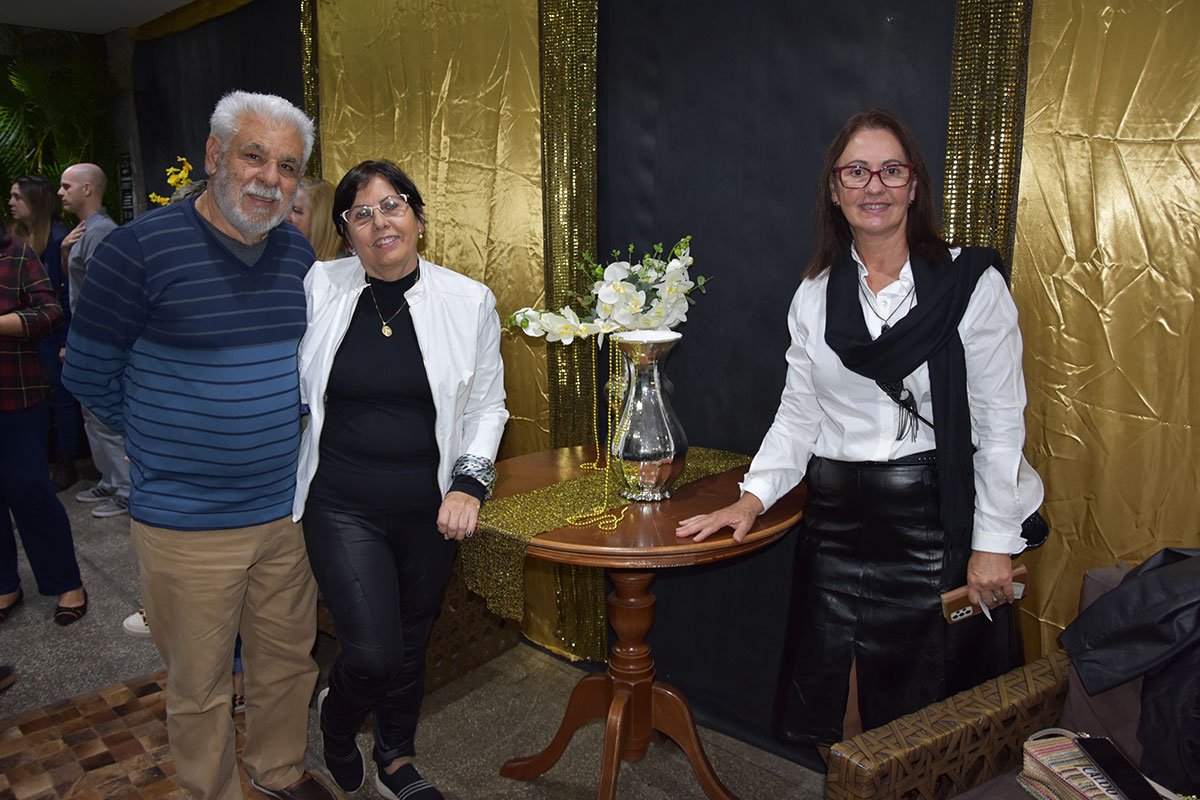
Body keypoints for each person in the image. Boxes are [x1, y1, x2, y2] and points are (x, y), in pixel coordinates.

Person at [675, 108, 1044, 749]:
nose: (875, 186)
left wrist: (992, 544)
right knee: (836, 704)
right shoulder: (815, 294)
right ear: (834, 188)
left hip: (937, 524)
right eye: (857, 172)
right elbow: (799, 412)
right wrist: (752, 497)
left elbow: (999, 422)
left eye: (891, 171)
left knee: (930, 712)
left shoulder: (970, 284)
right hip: (839, 528)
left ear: (914, 186)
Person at [62, 91, 334, 800]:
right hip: (187, 524)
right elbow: (88, 375)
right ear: (215, 155)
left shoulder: (295, 253)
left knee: (286, 662)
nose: (269, 179)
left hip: (285, 516)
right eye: (254, 156)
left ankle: (279, 770)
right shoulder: (137, 250)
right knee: (201, 683)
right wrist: (158, 441)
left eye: (287, 166)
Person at [294, 160, 508, 798]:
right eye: (360, 213)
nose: (379, 222)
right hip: (341, 502)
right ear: (346, 232)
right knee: (373, 652)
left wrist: (469, 484)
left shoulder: (468, 300)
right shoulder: (318, 286)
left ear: (416, 216)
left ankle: (395, 758)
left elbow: (487, 407)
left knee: (413, 639)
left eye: (392, 205)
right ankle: (337, 721)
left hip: (429, 507)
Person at [0, 220, 88, 626]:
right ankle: (6, 584)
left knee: (29, 489)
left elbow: (51, 313)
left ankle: (66, 581)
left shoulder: (15, 253)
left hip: (15, 394)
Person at [58, 163, 129, 518]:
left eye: (67, 186)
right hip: (86, 339)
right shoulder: (84, 231)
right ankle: (110, 480)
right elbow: (77, 285)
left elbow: (106, 297)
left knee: (105, 418)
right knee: (92, 416)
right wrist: (64, 252)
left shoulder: (101, 233)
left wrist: (89, 347)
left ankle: (126, 490)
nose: (60, 193)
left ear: (87, 189)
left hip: (99, 343)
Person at [9, 176, 79, 490]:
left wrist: (66, 341)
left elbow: (62, 298)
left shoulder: (57, 239)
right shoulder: (17, 238)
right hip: (24, 335)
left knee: (60, 400)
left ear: (35, 201)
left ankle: (66, 462)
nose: (11, 203)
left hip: (50, 333)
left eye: (17, 197)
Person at [287, 177, 341, 260]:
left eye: (296, 211)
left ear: (321, 222)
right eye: (285, 209)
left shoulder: (346, 265)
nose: (285, 217)